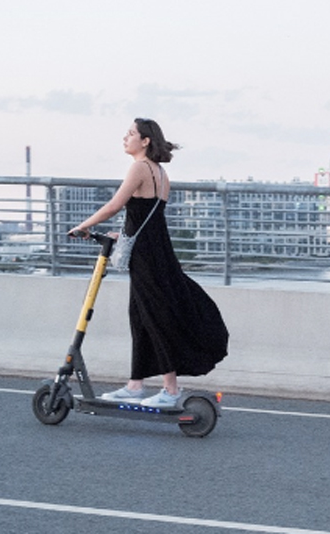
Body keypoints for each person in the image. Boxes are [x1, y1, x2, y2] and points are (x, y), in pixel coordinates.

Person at [68, 118, 229, 408]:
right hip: (157, 250)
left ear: (145, 141)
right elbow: (147, 219)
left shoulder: (140, 167)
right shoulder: (161, 173)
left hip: (146, 257)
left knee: (154, 318)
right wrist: (121, 233)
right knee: (141, 317)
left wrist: (83, 225)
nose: (125, 137)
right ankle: (135, 385)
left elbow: (115, 205)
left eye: (131, 134)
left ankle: (170, 390)